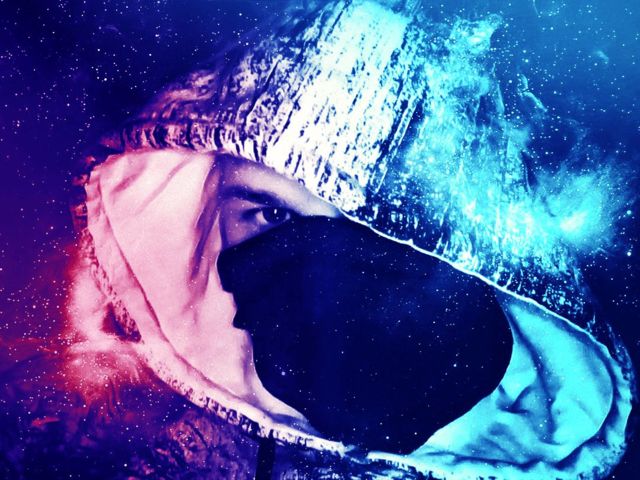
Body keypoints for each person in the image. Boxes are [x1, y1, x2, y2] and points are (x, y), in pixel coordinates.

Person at [1, 0, 634, 478]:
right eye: (270, 216)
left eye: (374, 228)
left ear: (485, 249)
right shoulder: (118, 444)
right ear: (204, 218)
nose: (323, 273)